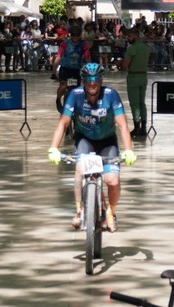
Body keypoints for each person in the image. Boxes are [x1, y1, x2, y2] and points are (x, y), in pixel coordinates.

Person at [46, 62, 136, 232]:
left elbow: (123, 125)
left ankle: (111, 212)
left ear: (101, 80)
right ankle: (80, 211)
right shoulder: (75, 95)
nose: (92, 83)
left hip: (107, 141)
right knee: (80, 171)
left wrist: (129, 150)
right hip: (85, 139)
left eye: (96, 79)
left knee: (112, 180)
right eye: (88, 80)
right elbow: (63, 123)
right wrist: (53, 148)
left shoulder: (111, 95)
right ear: (83, 81)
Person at [120, 26, 151, 137]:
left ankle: (137, 127)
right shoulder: (145, 47)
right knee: (142, 102)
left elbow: (125, 65)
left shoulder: (131, 48)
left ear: (136, 36)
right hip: (144, 76)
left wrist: (120, 63)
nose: (128, 38)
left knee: (134, 104)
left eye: (129, 36)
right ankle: (144, 128)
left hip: (133, 77)